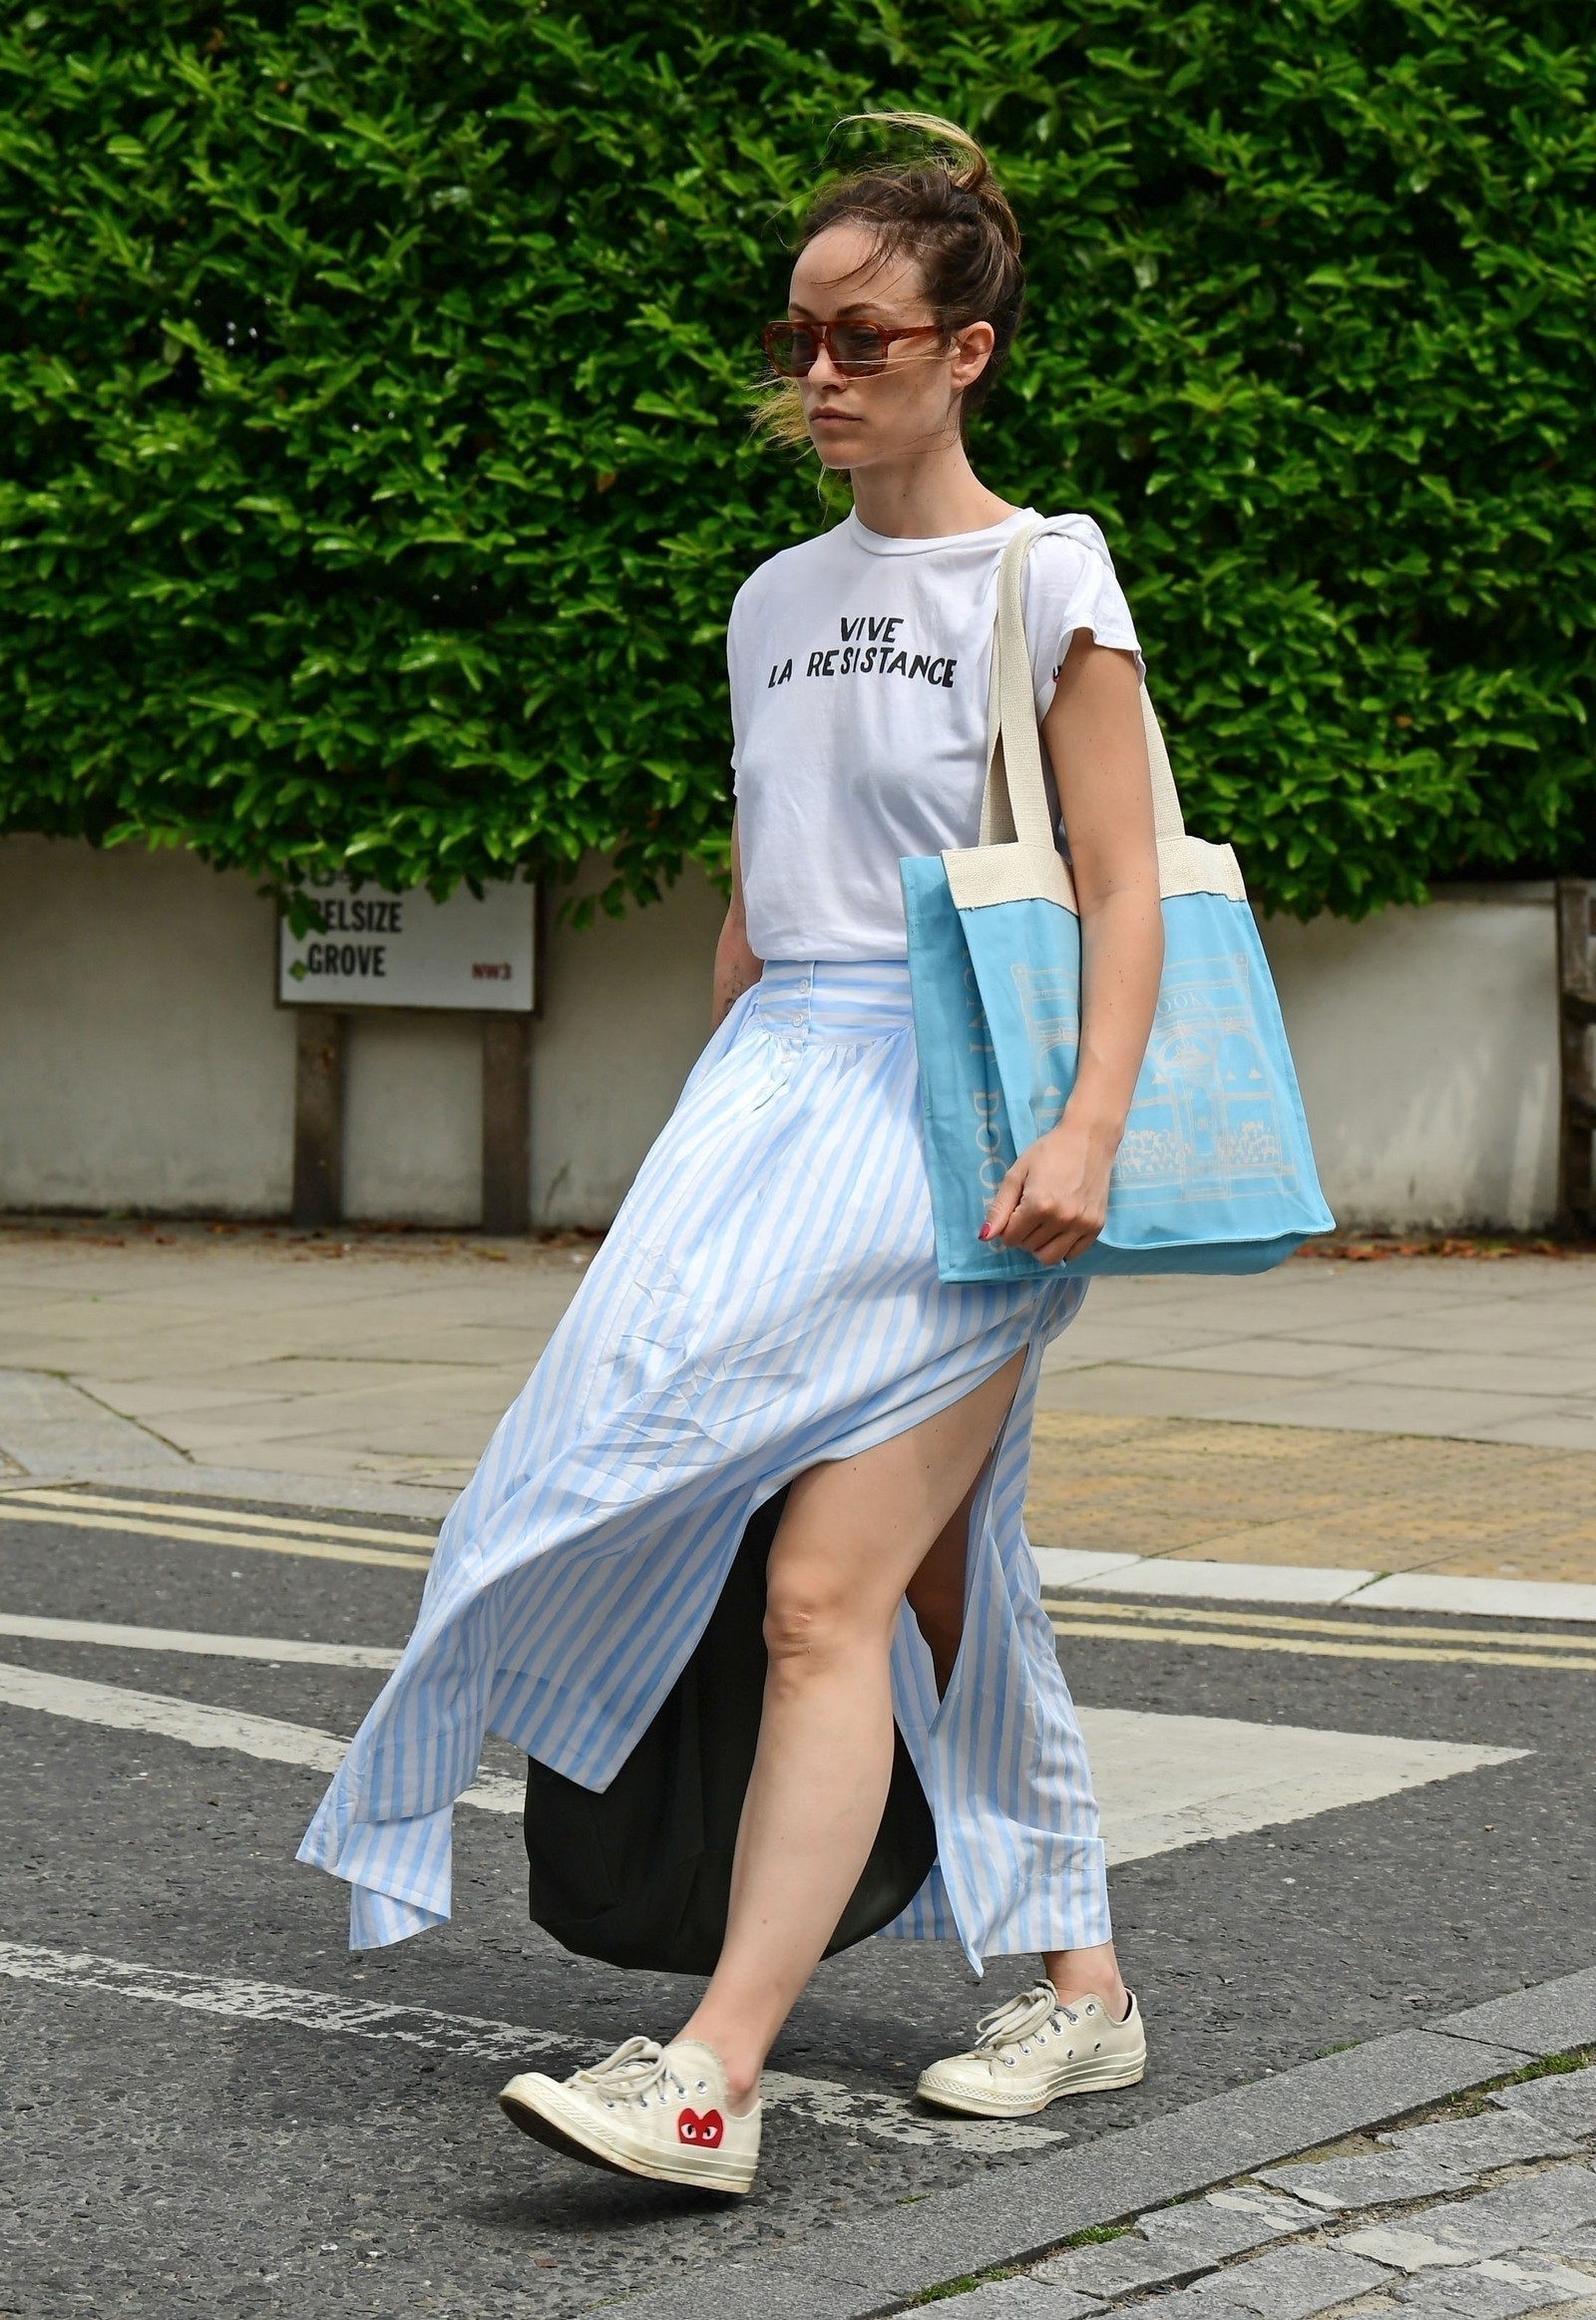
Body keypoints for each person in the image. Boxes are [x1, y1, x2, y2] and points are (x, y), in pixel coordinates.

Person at [298, 112, 1164, 2198]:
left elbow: (1124, 881)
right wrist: (714, 1141)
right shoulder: (773, 599)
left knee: (821, 1589)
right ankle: (1085, 1982)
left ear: (965, 349)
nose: (822, 371)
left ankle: (709, 2073)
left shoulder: (1046, 573)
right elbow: (763, 900)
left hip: (964, 1125)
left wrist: (1089, 1124)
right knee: (944, 1574)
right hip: (779, 1109)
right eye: (800, 336)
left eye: (865, 336)